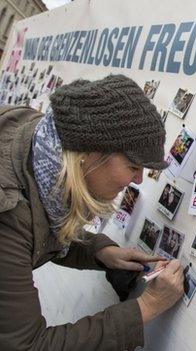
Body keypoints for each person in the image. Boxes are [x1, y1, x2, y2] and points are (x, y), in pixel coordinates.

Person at [0, 75, 184, 350]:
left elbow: (37, 229)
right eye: (133, 165)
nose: (138, 180)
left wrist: (99, 250)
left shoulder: (42, 142)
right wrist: (148, 305)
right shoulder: (7, 209)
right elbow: (25, 346)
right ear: (89, 153)